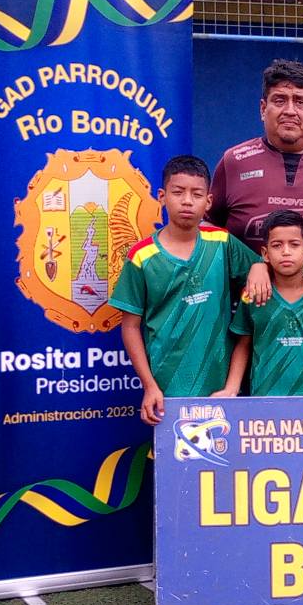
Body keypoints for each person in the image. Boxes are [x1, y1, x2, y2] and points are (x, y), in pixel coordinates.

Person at [111, 155, 265, 424]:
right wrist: (149, 386)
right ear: (162, 196)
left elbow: (259, 266)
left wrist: (259, 266)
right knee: (176, 448)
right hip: (167, 388)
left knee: (221, 449)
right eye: (178, 192)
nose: (187, 201)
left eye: (196, 194)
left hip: (221, 388)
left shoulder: (222, 242)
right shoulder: (141, 256)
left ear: (209, 201)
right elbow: (130, 327)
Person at [208, 60, 303, 253]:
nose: (290, 111)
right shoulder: (234, 161)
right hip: (247, 274)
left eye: (300, 102)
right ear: (263, 109)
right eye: (279, 101)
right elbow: (208, 229)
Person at [223, 210, 303, 397]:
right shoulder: (253, 296)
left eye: (294, 244)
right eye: (277, 245)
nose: (286, 252)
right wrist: (231, 389)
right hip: (264, 401)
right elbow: (243, 345)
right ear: (265, 254)